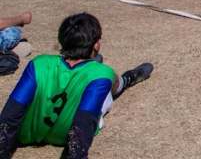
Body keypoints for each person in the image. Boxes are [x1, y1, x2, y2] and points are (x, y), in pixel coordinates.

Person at [0, 13, 153, 159]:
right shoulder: (102, 74)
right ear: (97, 45)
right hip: (65, 135)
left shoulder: (38, 63)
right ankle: (127, 79)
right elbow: (82, 127)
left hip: (30, 132)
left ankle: (90, 63)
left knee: (95, 75)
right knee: (108, 80)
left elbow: (10, 115)